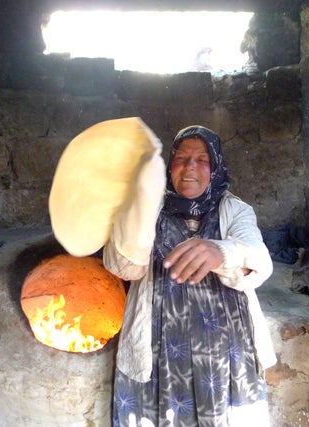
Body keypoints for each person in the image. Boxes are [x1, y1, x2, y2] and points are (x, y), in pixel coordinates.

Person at [103, 125, 276, 426]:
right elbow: (121, 268)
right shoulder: (145, 208)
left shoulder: (235, 210)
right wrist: (139, 209)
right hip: (160, 356)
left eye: (202, 159)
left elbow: (260, 260)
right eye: (181, 158)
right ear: (169, 167)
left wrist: (221, 252)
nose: (190, 167)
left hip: (227, 356)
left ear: (216, 166)